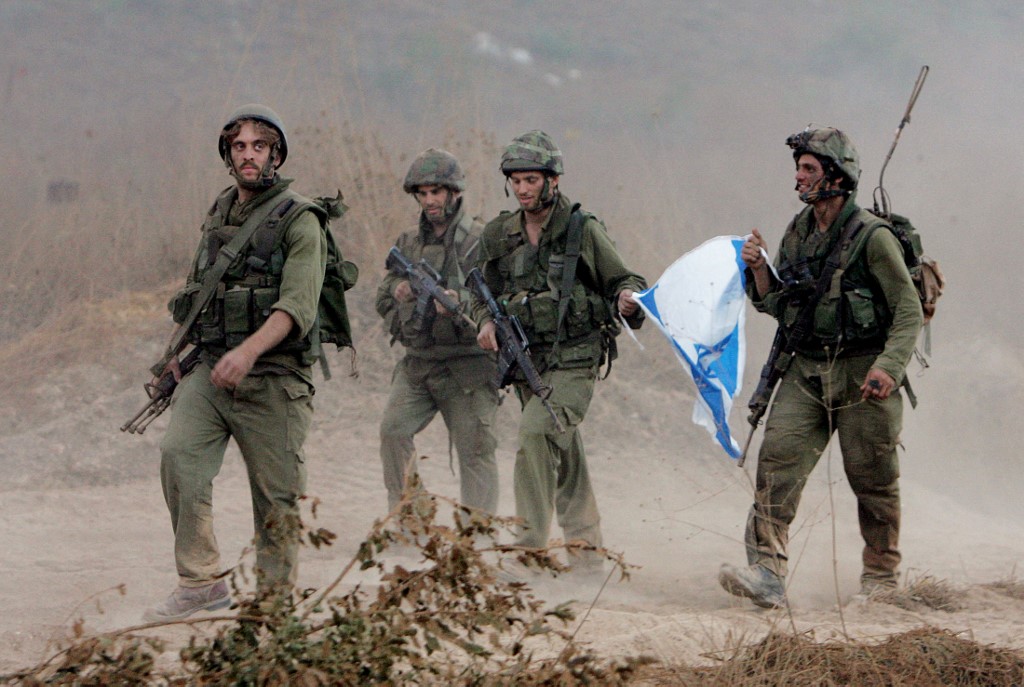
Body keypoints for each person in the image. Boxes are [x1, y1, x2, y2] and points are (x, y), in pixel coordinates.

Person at [719, 127, 924, 608]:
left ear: (836, 175)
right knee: (777, 466)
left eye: (809, 168)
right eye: (799, 168)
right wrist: (758, 270)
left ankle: (880, 579)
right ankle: (767, 573)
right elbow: (780, 304)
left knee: (872, 478)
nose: (799, 177)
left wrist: (888, 367)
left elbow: (908, 309)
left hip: (863, 374)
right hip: (806, 370)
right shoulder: (798, 231)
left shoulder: (872, 237)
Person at [143, 104, 328, 621]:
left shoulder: (301, 220)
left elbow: (297, 307)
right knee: (179, 457)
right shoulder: (220, 215)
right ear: (228, 156)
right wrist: (178, 360)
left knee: (276, 500)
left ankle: (272, 606)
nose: (249, 155)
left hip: (274, 379)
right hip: (212, 371)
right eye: (239, 146)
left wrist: (248, 351)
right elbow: (200, 295)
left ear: (276, 154)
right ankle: (200, 583)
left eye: (259, 146)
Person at [472, 131, 647, 577]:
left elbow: (624, 279)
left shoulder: (580, 230)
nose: (523, 189)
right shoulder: (499, 234)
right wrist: (485, 322)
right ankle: (589, 556)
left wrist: (627, 297)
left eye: (531, 179)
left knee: (536, 435)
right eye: (515, 180)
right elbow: (480, 290)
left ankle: (528, 551)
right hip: (527, 361)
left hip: (575, 358)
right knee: (562, 449)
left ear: (552, 180)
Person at [375, 148, 500, 516]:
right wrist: (400, 291)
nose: (429, 200)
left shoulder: (480, 240)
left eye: (437, 192)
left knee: (475, 452)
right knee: (393, 432)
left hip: (468, 368)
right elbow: (383, 294)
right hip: (420, 363)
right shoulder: (410, 242)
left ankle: (476, 538)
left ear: (454, 192)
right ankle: (413, 518)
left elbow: (498, 298)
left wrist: (457, 299)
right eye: (423, 193)